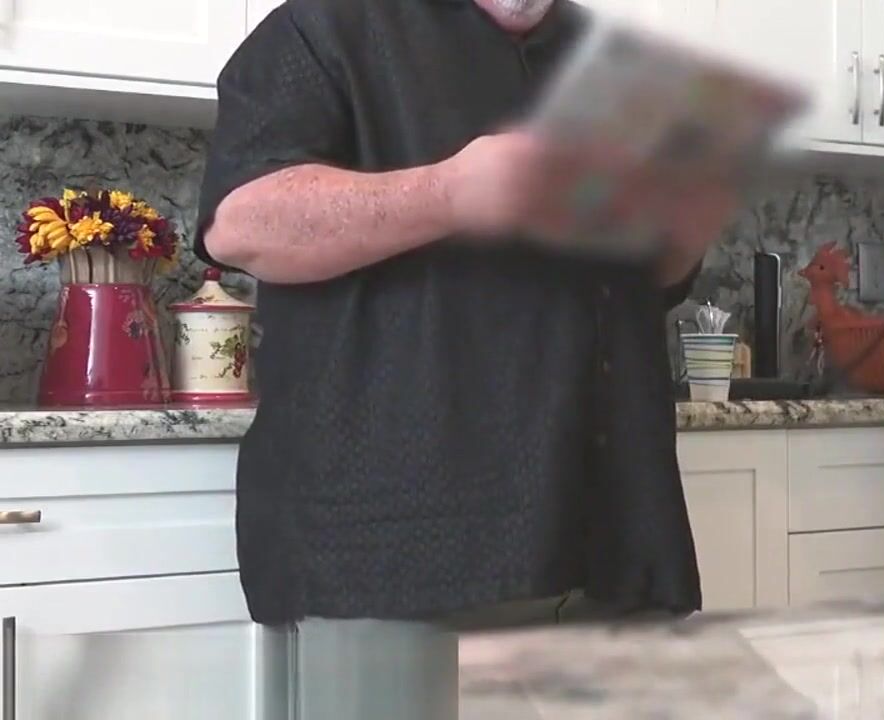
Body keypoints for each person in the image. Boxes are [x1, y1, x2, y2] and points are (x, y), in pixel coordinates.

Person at [196, 0, 737, 714]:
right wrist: (451, 190)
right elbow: (241, 224)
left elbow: (658, 273)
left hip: (619, 543)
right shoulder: (325, 26)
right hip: (391, 563)